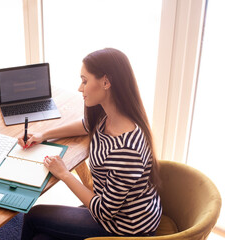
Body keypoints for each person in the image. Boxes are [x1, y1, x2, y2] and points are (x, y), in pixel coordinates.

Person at [18, 48, 162, 239]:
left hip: (124, 227)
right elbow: (86, 125)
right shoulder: (109, 115)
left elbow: (103, 212)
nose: (80, 88)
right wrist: (43, 135)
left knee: (33, 216)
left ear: (106, 82)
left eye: (85, 81)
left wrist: (64, 174)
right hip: (114, 208)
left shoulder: (128, 149)